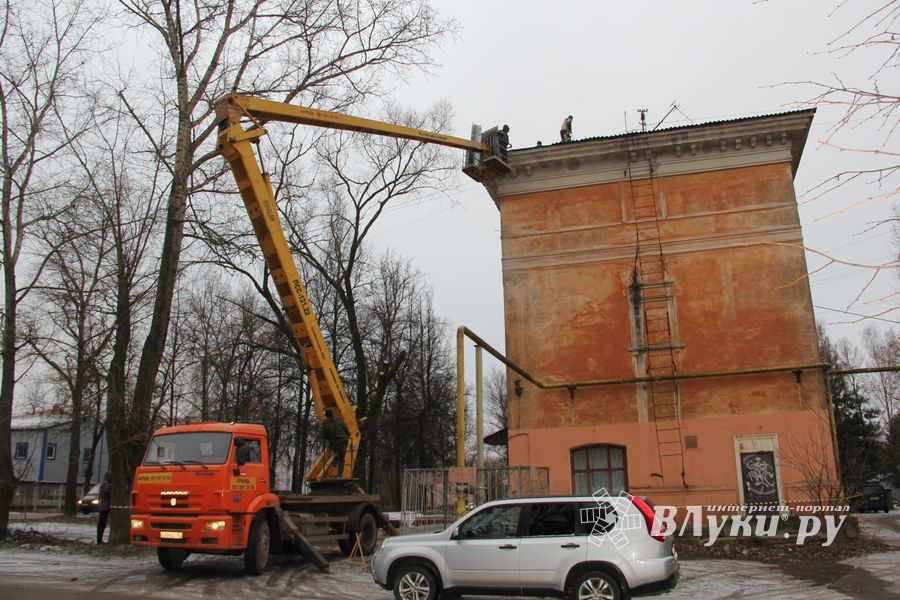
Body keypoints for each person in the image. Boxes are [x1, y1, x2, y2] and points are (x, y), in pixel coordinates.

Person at [322, 409, 350, 477]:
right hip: (343, 441)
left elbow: (324, 434)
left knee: (333, 450)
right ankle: (340, 475)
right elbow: (346, 430)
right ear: (332, 414)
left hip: (334, 442)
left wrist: (330, 438)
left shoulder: (324, 423)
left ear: (326, 416)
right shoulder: (339, 421)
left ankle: (335, 455)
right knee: (342, 459)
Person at [97, 471, 111, 544]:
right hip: (104, 506)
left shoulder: (104, 483)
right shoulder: (105, 484)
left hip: (104, 506)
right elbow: (108, 489)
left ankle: (99, 539)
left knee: (102, 523)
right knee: (102, 523)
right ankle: (99, 540)